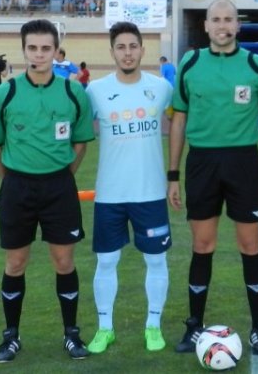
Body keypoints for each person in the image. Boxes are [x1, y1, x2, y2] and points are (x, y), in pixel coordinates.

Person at [167, 0, 258, 357]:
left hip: (244, 163)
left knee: (251, 245)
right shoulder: (190, 62)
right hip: (201, 163)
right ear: (205, 26)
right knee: (202, 245)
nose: (222, 25)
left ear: (237, 25)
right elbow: (179, 120)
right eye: (215, 19)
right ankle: (194, 325)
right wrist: (173, 174)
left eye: (228, 19)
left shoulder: (256, 65)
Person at [0, 19, 97, 364]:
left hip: (59, 186)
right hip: (17, 187)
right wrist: (13, 180)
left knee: (64, 261)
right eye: (33, 48)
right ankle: (11, 336)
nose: (39, 54)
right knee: (15, 263)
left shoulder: (73, 92)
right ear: (23, 49)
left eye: (46, 48)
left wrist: (60, 177)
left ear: (56, 50)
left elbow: (80, 143)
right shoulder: (6, 92)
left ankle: (71, 334)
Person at [84, 21, 174, 354]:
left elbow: (181, 120)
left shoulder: (161, 87)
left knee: (156, 261)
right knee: (106, 262)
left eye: (133, 46)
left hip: (149, 193)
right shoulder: (95, 90)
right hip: (109, 195)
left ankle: (154, 325)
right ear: (112, 52)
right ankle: (104, 328)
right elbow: (77, 132)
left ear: (142, 49)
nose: (127, 53)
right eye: (120, 47)